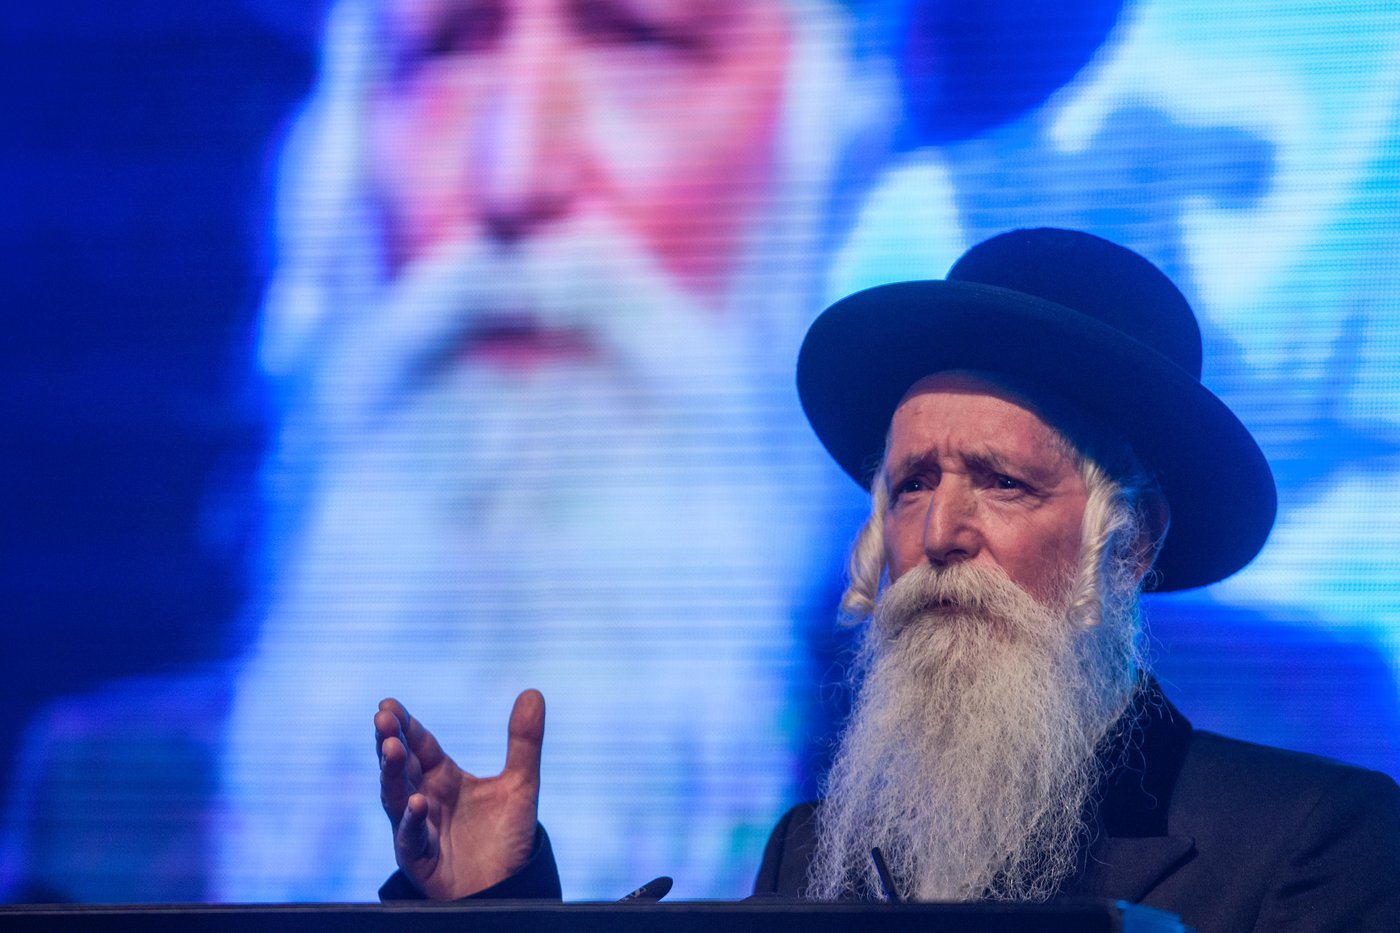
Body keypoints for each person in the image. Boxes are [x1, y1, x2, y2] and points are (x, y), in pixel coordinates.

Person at [1, 0, 1133, 904]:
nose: (512, 173)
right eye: (443, 50)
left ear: (849, 118)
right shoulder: (112, 794)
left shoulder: (1060, 770)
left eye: (640, 39)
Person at [373, 228, 1400, 931]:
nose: (940, 533)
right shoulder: (813, 848)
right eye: (911, 485)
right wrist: (489, 905)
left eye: (1000, 482)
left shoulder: (1311, 840)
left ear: (1128, 541)